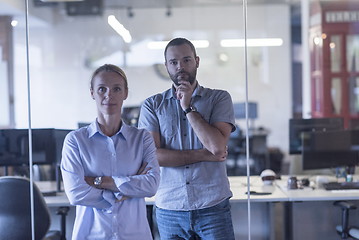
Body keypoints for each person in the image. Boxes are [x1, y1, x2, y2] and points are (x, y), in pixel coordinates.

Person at [138, 37, 236, 240]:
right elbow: (154, 157)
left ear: (197, 61)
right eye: (173, 62)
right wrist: (204, 154)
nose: (180, 67)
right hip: (170, 209)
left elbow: (217, 148)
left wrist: (188, 108)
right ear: (166, 66)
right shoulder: (152, 105)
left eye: (186, 60)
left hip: (213, 206)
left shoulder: (219, 98)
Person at [61, 64, 160, 240]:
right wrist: (127, 188)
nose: (109, 95)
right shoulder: (75, 141)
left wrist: (100, 182)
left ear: (125, 93)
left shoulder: (142, 138)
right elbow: (76, 193)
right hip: (92, 235)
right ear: (92, 93)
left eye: (116, 89)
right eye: (102, 89)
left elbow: (151, 185)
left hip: (135, 235)